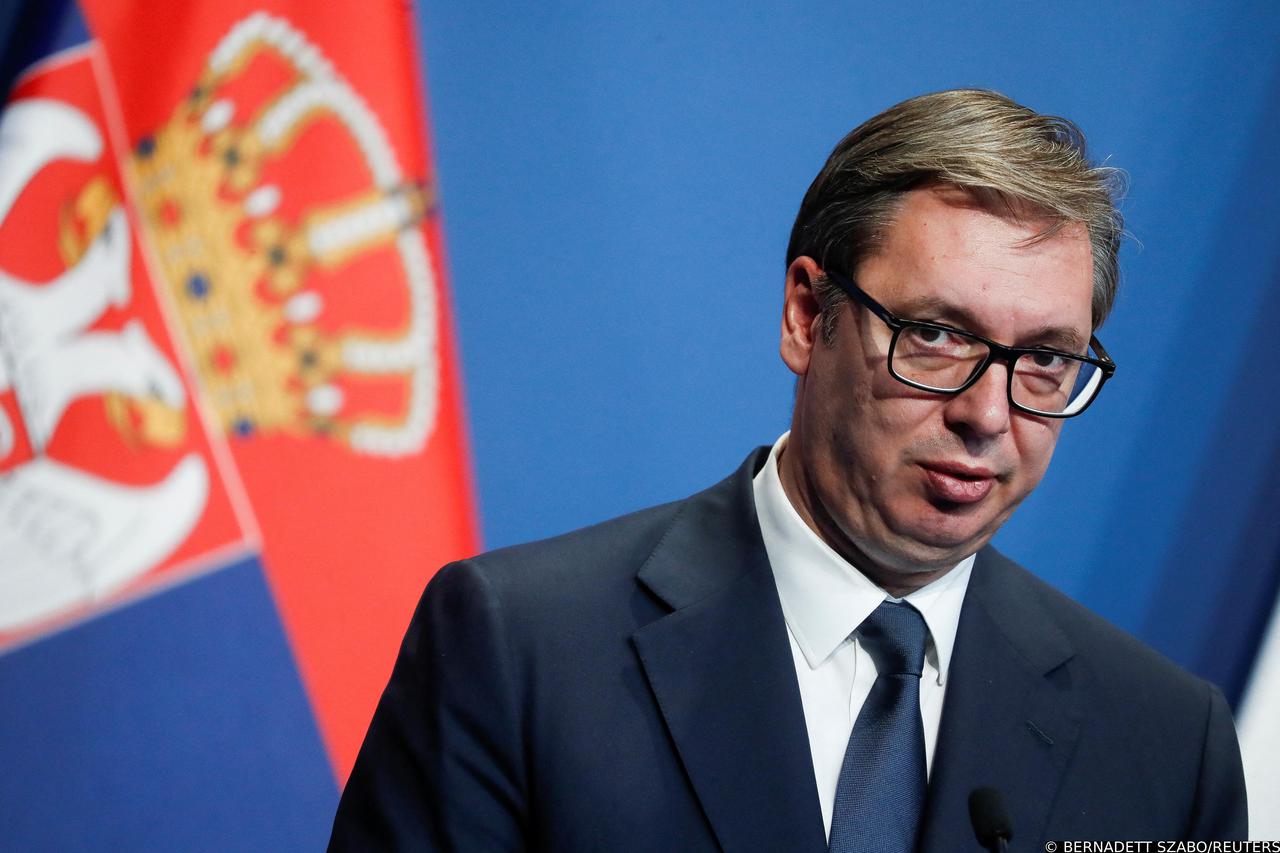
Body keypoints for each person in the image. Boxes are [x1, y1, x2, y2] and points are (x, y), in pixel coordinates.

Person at [328, 89, 1248, 852]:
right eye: (935, 334)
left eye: (1046, 358)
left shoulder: (1170, 745)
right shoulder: (519, 648)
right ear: (808, 317)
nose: (987, 413)